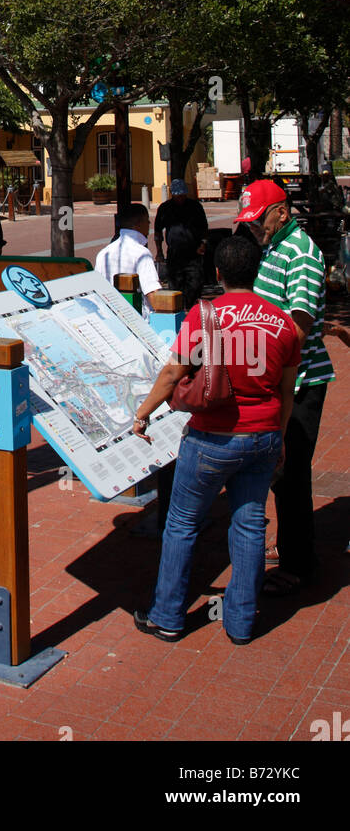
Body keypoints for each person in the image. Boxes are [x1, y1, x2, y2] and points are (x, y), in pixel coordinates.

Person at [132, 234, 299, 644]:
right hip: (262, 436)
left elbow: (173, 373)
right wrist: (279, 438)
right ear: (257, 272)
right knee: (249, 524)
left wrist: (142, 413)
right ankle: (241, 623)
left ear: (218, 273)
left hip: (212, 438)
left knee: (183, 523)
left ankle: (167, 617)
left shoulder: (205, 316)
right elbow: (287, 390)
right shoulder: (285, 323)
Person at [235, 179, 332, 596]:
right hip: (276, 378)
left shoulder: (303, 254)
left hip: (300, 381)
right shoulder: (273, 248)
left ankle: (299, 563)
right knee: (278, 470)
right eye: (249, 225)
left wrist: (265, 364)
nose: (254, 230)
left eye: (258, 222)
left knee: (292, 473)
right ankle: (291, 543)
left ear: (282, 211)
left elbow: (298, 326)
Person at [95, 204, 162, 314]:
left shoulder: (104, 253)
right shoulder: (141, 253)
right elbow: (152, 293)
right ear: (138, 224)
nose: (149, 226)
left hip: (110, 316)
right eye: (147, 221)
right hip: (137, 318)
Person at [154, 178, 209, 310]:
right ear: (173, 194)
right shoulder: (165, 208)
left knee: (195, 284)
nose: (180, 199)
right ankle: (178, 312)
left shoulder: (195, 207)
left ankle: (191, 309)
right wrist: (159, 251)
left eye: (183, 195)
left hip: (193, 253)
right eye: (178, 196)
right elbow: (157, 232)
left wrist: (203, 244)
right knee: (175, 286)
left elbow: (204, 228)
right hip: (174, 253)